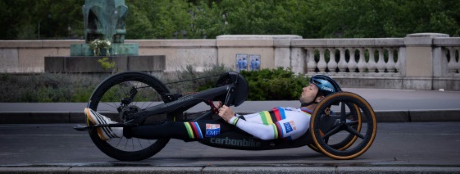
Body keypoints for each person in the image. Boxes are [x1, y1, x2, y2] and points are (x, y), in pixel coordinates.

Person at [84, 74, 341, 143]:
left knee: (175, 128)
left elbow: (267, 134)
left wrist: (232, 119)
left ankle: (115, 132)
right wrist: (227, 112)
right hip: (232, 124)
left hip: (232, 132)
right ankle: (118, 124)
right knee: (183, 112)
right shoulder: (301, 112)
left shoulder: (302, 122)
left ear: (320, 99)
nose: (304, 89)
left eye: (310, 87)